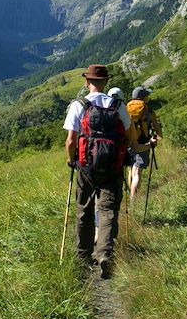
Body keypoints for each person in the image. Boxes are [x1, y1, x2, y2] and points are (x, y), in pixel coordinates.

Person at [63, 65, 137, 279]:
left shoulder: (79, 105)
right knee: (107, 210)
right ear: (105, 82)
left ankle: (83, 255)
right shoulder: (118, 105)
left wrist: (72, 160)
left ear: (88, 82)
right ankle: (104, 253)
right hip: (112, 166)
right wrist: (127, 150)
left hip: (86, 166)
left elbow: (70, 140)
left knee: (84, 210)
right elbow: (130, 132)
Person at [127, 86, 162, 201]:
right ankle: (133, 201)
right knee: (137, 173)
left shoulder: (126, 109)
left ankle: (130, 193)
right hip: (143, 143)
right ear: (143, 97)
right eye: (147, 95)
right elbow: (158, 130)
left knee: (131, 170)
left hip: (128, 142)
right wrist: (155, 139)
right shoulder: (149, 112)